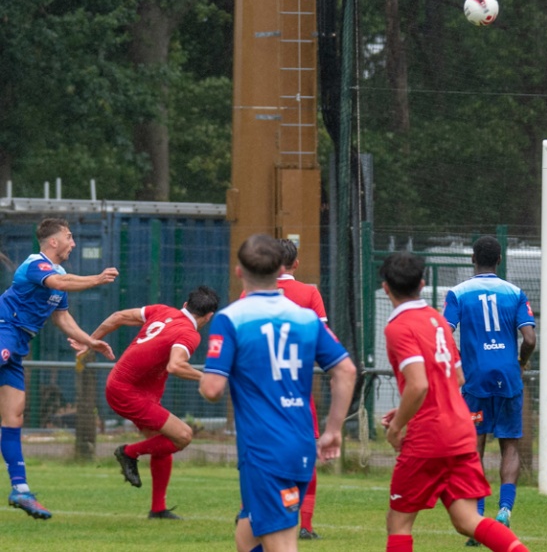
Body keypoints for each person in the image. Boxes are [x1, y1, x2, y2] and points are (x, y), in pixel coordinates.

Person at [199, 234, 356, 552]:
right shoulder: (305, 317)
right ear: (283, 268)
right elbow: (346, 370)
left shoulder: (232, 318)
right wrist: (333, 430)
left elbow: (212, 389)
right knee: (247, 535)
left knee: (281, 543)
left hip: (264, 448)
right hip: (299, 440)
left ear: (239, 271)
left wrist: (217, 372)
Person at [380, 251, 529, 552]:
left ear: (385, 288)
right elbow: (454, 378)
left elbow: (419, 384)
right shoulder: (435, 319)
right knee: (466, 519)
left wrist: (397, 425)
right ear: (422, 283)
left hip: (429, 435)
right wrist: (412, 404)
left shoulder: (398, 326)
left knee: (399, 522)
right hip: (458, 430)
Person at [0, 217, 118, 519]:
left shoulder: (60, 274)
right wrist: (97, 278)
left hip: (18, 344)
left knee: (14, 416)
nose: (73, 242)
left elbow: (62, 318)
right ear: (53, 241)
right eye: (69, 236)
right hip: (4, 331)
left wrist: (91, 342)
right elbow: (60, 283)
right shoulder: (35, 265)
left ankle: (21, 490)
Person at [75, 286, 220, 519]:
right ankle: (128, 453)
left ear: (185, 304)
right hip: (128, 392)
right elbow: (176, 365)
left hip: (128, 387)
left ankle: (158, 509)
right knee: (183, 436)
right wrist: (209, 378)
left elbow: (118, 317)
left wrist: (90, 341)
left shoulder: (162, 310)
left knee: (161, 444)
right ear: (209, 316)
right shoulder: (189, 334)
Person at [442, 235, 536, 540]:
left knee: (475, 447)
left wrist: (456, 366)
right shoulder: (515, 293)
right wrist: (521, 363)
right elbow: (530, 339)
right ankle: (505, 511)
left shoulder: (457, 293)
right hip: (508, 377)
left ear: (473, 259)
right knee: (509, 444)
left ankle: (478, 519)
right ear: (499, 260)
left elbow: (444, 333)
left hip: (475, 380)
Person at [239, 238, 327, 539]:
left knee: (254, 453)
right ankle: (305, 523)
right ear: (295, 264)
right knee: (306, 450)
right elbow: (323, 339)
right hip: (295, 387)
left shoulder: (247, 295)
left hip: (259, 390)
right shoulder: (310, 292)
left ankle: (249, 516)